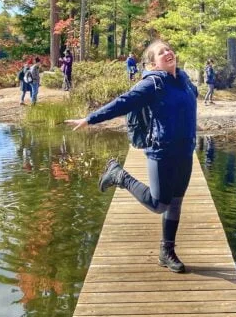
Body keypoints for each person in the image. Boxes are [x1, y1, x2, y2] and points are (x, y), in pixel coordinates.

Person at [65, 40, 198, 273]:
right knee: (159, 205)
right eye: (161, 52)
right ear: (152, 63)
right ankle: (119, 175)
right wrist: (90, 119)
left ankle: (166, 252)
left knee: (176, 202)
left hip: (185, 150)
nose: (168, 53)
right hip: (162, 152)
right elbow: (123, 103)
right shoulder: (152, 84)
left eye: (168, 49)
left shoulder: (184, 79)